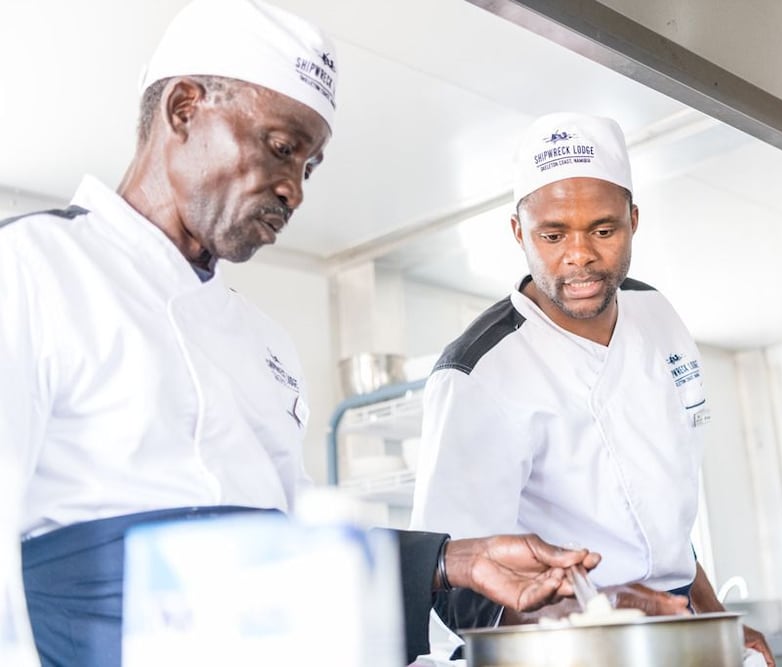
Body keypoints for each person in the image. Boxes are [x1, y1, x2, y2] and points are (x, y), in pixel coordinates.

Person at [0, 3, 600, 666]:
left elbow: (292, 549)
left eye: (309, 166)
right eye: (282, 148)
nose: (294, 190)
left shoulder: (264, 345)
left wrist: (455, 560)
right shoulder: (32, 269)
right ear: (183, 108)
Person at [410, 111, 775, 664]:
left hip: (676, 629)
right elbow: (458, 590)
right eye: (552, 235)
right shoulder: (478, 372)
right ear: (519, 232)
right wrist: (596, 621)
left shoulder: (656, 314)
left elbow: (659, 518)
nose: (579, 255)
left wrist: (715, 619)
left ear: (633, 220)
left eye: (603, 231)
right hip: (559, 647)